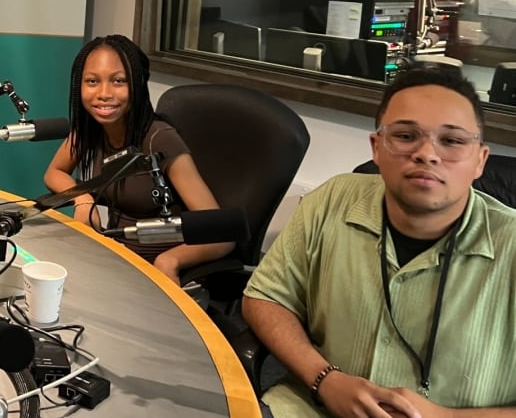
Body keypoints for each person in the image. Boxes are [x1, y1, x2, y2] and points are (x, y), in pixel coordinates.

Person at [242, 67, 516, 417]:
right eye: (405, 136)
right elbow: (265, 297)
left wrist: (446, 416)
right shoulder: (331, 201)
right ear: (377, 147)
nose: (427, 153)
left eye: (451, 141)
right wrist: (325, 379)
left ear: (480, 160)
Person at [44, 34, 233, 285]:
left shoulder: (160, 140)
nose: (103, 93)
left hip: (152, 272)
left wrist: (170, 260)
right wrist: (82, 199)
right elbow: (54, 172)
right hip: (117, 257)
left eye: (118, 81)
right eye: (92, 81)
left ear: (137, 85)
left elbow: (222, 233)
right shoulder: (92, 129)